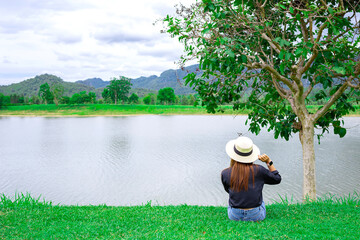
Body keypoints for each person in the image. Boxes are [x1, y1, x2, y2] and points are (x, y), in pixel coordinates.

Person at [221, 136, 281, 221]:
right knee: (261, 200)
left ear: (233, 155)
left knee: (231, 200)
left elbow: (228, 190)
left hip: (234, 216)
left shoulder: (225, 173)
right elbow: (277, 179)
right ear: (251, 154)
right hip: (256, 216)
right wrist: (268, 162)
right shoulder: (259, 170)